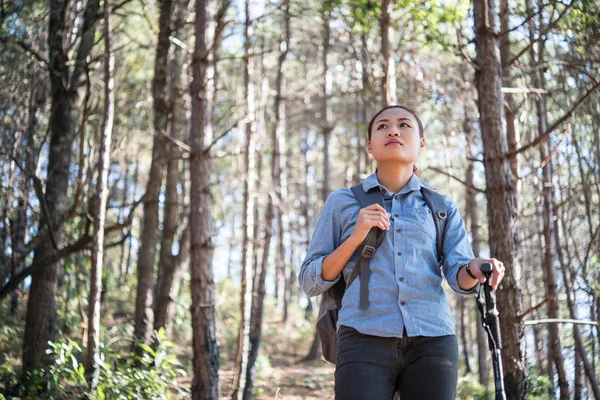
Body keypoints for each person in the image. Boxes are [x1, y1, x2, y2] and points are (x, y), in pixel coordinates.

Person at [298, 105, 505, 400]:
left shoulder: (441, 207)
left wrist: (475, 267)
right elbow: (310, 280)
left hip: (433, 340)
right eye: (382, 126)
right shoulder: (341, 202)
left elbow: (460, 277)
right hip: (361, 337)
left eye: (404, 125)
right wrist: (354, 238)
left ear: (421, 142)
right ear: (370, 146)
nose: (393, 130)